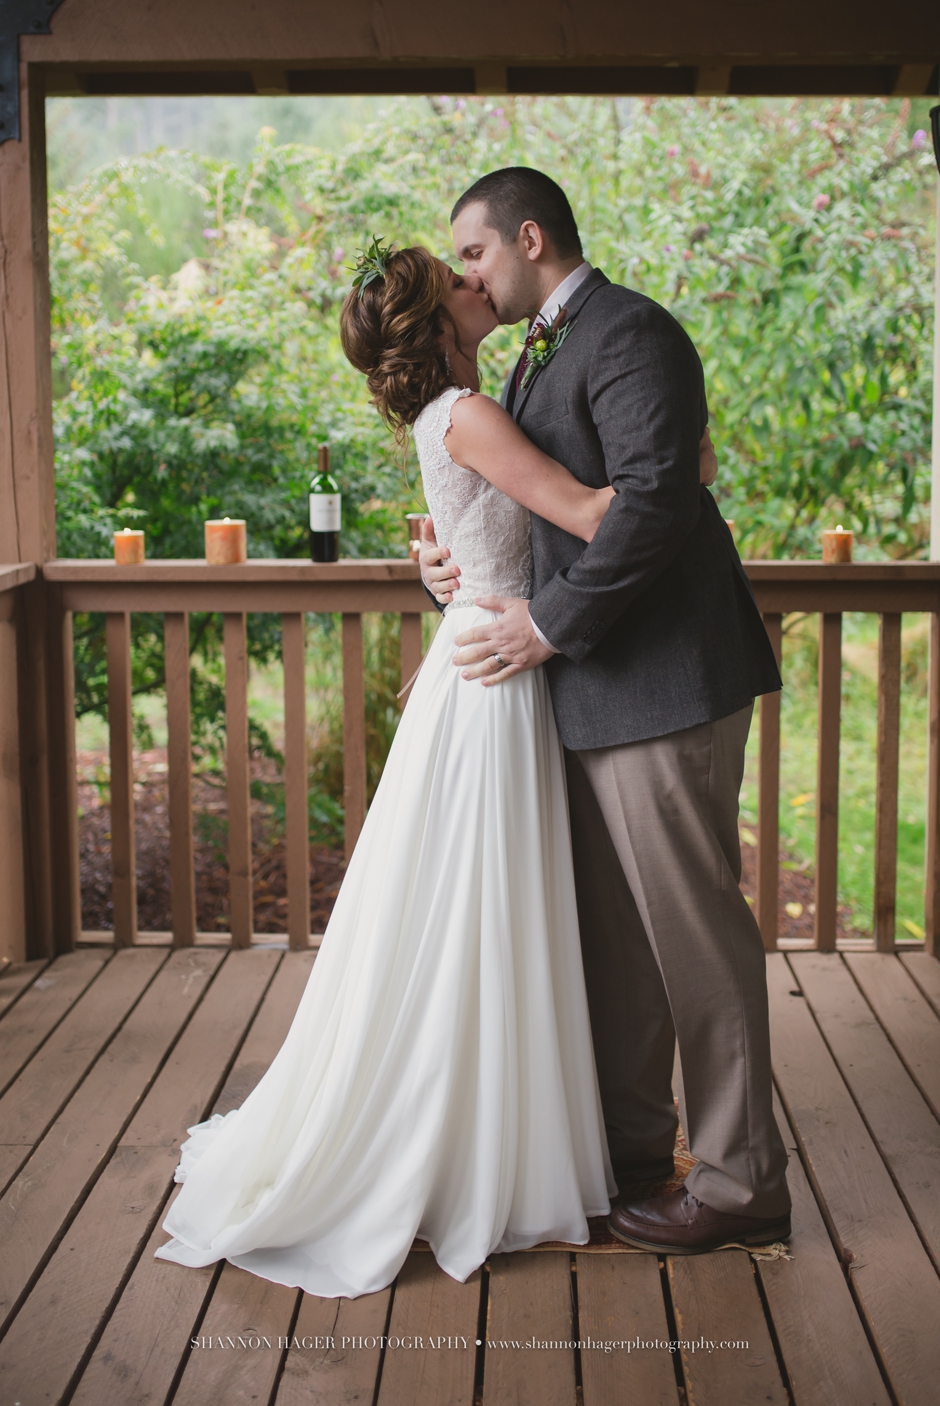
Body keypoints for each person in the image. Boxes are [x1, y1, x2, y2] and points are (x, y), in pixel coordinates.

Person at [152, 241, 714, 1299]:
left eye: (472, 260)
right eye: (457, 276)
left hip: (488, 670)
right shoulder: (468, 412)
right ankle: (472, 1146)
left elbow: (490, 530)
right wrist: (678, 468)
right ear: (441, 319)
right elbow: (594, 515)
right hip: (495, 687)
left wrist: (444, 564)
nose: (476, 282)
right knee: (478, 914)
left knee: (475, 914)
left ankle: (498, 1130)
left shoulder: (462, 406)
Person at [421, 167, 792, 1254]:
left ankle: (738, 1181)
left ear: (529, 236)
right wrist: (446, 567)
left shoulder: (631, 331)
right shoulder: (534, 351)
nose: (467, 278)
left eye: (474, 254)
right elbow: (519, 509)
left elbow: (656, 505)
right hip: (587, 692)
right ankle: (633, 1147)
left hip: (665, 681)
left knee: (695, 936)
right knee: (618, 942)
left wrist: (546, 627)